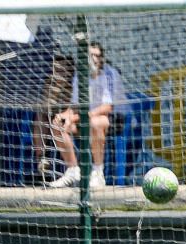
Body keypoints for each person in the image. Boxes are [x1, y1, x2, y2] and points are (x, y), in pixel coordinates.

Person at [48, 41, 129, 188]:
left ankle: (98, 173)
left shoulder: (109, 74)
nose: (94, 59)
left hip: (114, 119)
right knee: (57, 124)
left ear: (102, 58)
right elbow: (75, 106)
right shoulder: (80, 76)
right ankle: (73, 169)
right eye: (90, 55)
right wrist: (65, 116)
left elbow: (107, 107)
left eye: (97, 56)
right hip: (86, 118)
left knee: (96, 123)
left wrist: (76, 117)